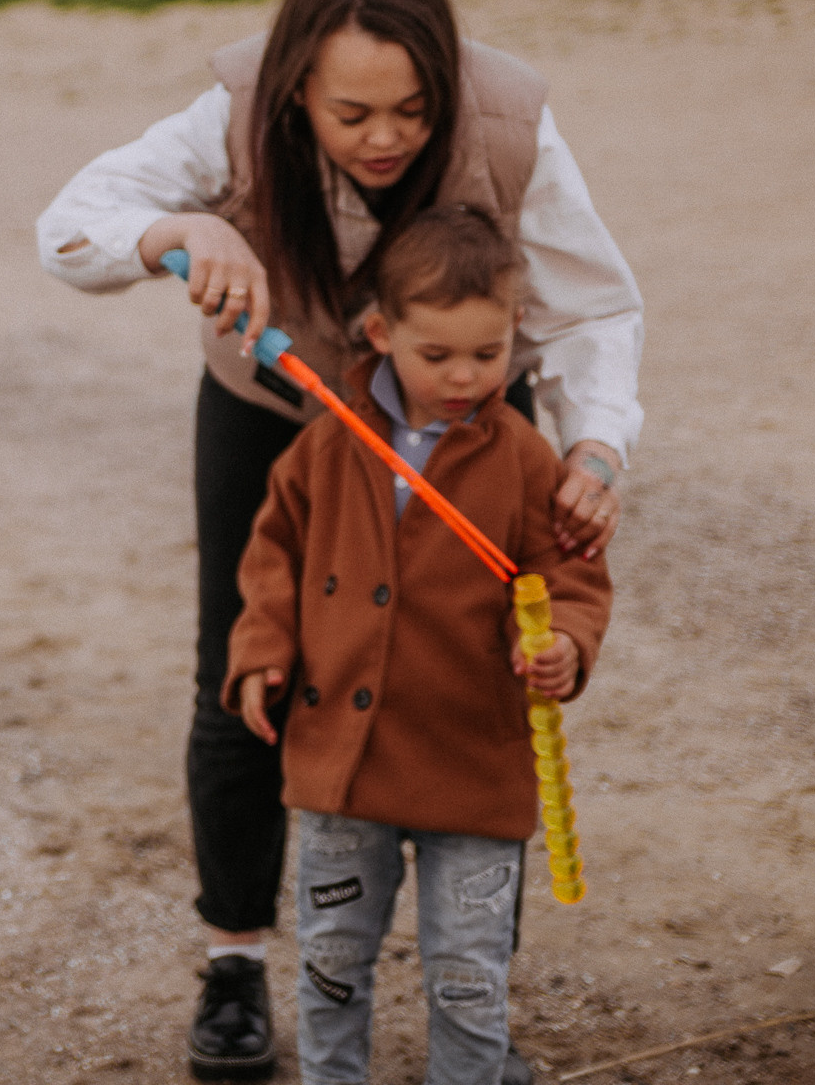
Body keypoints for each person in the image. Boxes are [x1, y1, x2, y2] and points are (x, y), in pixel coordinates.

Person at [35, 0, 641, 1082]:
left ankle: (477, 990)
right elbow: (68, 225)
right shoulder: (230, 111)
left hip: (469, 408)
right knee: (245, 673)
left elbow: (595, 307)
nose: (385, 138)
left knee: (472, 669)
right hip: (275, 411)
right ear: (297, 86)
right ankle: (234, 963)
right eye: (352, 111)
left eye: (414, 109)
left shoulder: (510, 121)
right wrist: (182, 233)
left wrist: (597, 446)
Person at [228, 205, 613, 1085]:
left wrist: (567, 645)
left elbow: (572, 574)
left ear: (514, 332)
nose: (464, 376)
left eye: (487, 355)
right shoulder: (330, 443)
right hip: (343, 770)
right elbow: (272, 554)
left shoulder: (521, 456)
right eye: (435, 355)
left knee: (469, 982)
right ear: (380, 332)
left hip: (473, 766)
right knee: (331, 968)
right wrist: (261, 652)